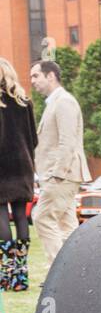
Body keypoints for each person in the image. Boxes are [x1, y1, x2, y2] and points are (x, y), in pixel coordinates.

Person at [29, 60, 89, 262]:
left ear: (51, 76)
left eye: (36, 75)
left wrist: (57, 174)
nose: (32, 81)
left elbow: (67, 142)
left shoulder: (64, 101)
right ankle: (73, 273)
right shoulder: (55, 103)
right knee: (66, 226)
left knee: (42, 217)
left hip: (62, 175)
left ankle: (56, 272)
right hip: (61, 175)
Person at [0, 58, 36, 290]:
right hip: (23, 166)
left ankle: (5, 275)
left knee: (1, 215)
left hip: (2, 166)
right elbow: (34, 139)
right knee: (22, 217)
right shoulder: (25, 103)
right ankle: (20, 277)